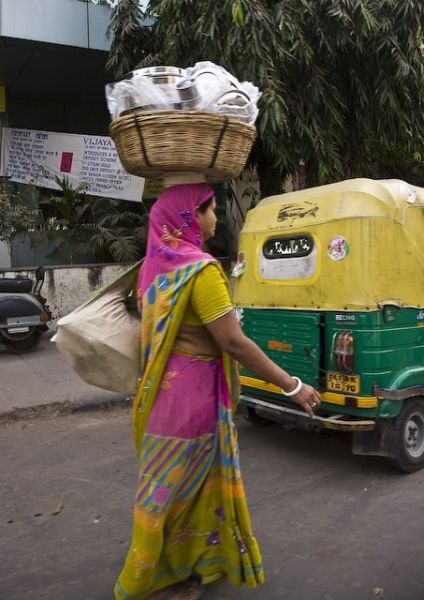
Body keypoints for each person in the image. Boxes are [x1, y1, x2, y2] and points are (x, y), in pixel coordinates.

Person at [114, 183, 321, 600]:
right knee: (180, 493)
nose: (216, 219)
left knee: (168, 489)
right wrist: (292, 385)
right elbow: (234, 342)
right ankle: (150, 581)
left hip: (159, 396)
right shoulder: (201, 270)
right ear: (191, 217)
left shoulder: (153, 269)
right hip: (193, 401)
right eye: (210, 211)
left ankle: (183, 568)